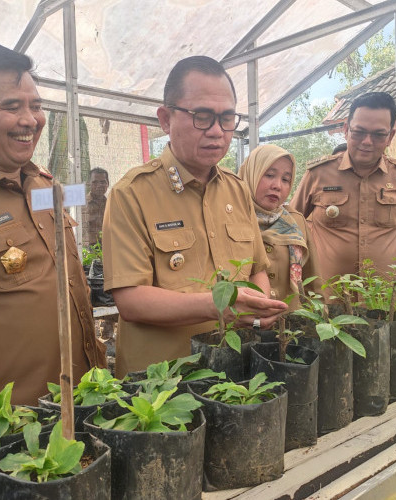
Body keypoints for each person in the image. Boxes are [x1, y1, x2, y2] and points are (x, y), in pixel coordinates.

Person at [0, 41, 106, 408]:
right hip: (10, 431)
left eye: (36, 106)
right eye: (12, 106)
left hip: (82, 403)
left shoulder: (45, 185)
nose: (30, 120)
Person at [102, 56, 288, 377]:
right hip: (161, 385)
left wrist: (257, 311)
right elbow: (131, 300)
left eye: (227, 118)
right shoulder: (132, 193)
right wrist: (219, 307)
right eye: (202, 116)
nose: (217, 131)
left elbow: (258, 269)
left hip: (231, 371)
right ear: (165, 119)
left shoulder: (237, 189)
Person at [290, 91, 396, 285]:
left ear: (390, 135)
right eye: (359, 132)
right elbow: (291, 225)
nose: (367, 141)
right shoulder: (318, 174)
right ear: (346, 129)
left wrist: (395, 262)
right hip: (327, 298)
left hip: (383, 300)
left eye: (378, 134)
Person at [238, 144, 320, 309]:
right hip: (241, 325)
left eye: (285, 179)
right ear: (251, 174)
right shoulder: (231, 218)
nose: (278, 185)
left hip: (291, 328)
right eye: (269, 175)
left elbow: (313, 283)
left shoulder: (296, 223)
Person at [83, 167, 109, 247]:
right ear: (89, 184)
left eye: (102, 182)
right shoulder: (81, 206)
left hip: (108, 248)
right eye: (95, 182)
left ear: (108, 183)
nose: (99, 185)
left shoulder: (111, 205)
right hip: (87, 251)